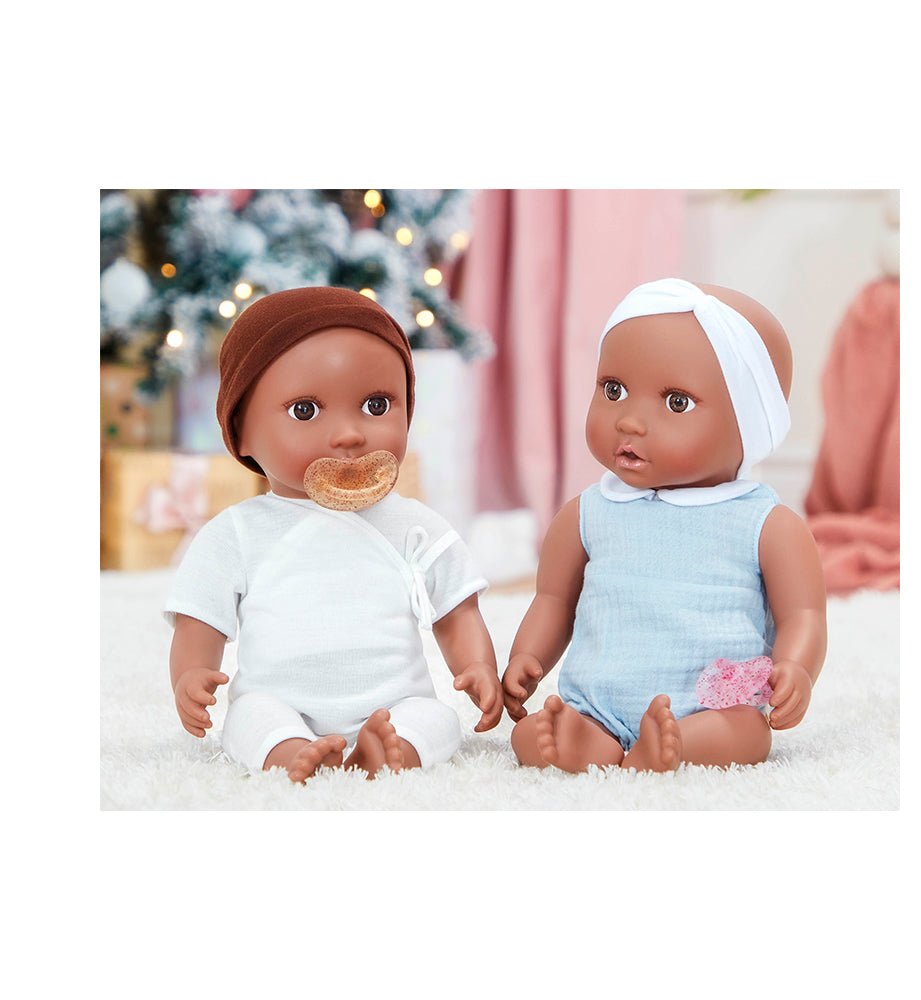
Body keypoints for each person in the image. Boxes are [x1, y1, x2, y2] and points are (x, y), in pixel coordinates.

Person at [165, 286, 502, 783]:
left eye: (376, 405)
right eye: (305, 410)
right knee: (249, 716)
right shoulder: (237, 532)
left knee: (437, 719)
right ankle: (292, 750)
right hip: (280, 701)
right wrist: (191, 675)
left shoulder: (414, 525)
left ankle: (390, 749)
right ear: (241, 433)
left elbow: (457, 610)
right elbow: (200, 621)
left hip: (394, 703)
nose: (349, 434)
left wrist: (475, 666)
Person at [502, 278, 827, 773]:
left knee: (746, 732)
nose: (629, 421)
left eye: (676, 402)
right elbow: (553, 600)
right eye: (614, 390)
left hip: (709, 705)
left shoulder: (765, 523)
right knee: (530, 733)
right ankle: (582, 740)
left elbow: (803, 614)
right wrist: (528, 656)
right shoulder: (588, 512)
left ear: (749, 423)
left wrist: (797, 668)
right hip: (598, 702)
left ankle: (677, 743)